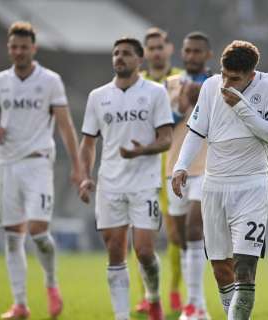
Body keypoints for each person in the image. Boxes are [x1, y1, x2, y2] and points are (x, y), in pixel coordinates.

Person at [172, 40, 268, 320]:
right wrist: (181, 166)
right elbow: (196, 131)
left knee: (245, 268)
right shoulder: (211, 86)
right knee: (220, 269)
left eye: (235, 79)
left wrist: (242, 107)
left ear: (251, 74)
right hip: (214, 187)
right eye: (224, 75)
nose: (227, 83)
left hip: (251, 187)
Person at [0, 21, 81, 319]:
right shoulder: (0, 81)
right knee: (12, 237)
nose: (19, 51)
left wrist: (77, 167)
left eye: (24, 47)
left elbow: (65, 125)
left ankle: (51, 284)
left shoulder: (50, 80)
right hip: (7, 163)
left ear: (33, 49)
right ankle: (20, 304)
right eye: (14, 46)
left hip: (38, 162)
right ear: (9, 48)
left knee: (37, 232)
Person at [78, 37, 173, 320]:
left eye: (126, 54)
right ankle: (122, 316)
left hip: (144, 182)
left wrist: (142, 151)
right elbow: (88, 143)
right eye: (116, 53)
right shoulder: (98, 96)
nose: (119, 58)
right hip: (110, 183)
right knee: (115, 252)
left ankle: (153, 298)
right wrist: (85, 177)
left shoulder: (156, 93)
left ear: (139, 60)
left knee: (144, 251)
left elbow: (166, 138)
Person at [164, 31, 213, 320]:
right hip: (176, 168)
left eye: (197, 51)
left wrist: (198, 102)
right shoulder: (171, 84)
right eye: (188, 50)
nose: (191, 55)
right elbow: (163, 125)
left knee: (196, 229)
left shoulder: (216, 85)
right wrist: (181, 104)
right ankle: (194, 305)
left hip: (206, 167)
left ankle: (195, 303)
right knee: (180, 237)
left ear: (207, 55)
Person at [136, 27, 184, 314]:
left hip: (172, 165)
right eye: (150, 47)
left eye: (159, 46)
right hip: (142, 167)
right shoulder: (135, 82)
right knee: (141, 234)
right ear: (144, 52)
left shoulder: (181, 79)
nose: (155, 52)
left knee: (176, 234)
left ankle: (175, 290)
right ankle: (146, 293)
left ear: (169, 49)